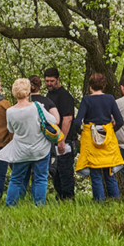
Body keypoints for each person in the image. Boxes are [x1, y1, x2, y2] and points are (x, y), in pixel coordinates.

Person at [0, 78, 58, 206]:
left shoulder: (10, 111)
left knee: (16, 179)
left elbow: (10, 129)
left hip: (21, 150)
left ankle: (11, 204)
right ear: (28, 91)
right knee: (41, 178)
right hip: (40, 149)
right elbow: (53, 120)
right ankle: (39, 205)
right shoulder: (37, 107)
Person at [74, 72, 124, 202]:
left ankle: (99, 203)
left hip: (91, 141)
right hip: (107, 140)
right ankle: (115, 202)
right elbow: (119, 121)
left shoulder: (86, 100)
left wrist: (82, 132)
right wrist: (110, 131)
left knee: (96, 175)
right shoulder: (110, 99)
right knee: (110, 174)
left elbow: (76, 122)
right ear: (104, 85)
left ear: (90, 86)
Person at [44, 66, 76, 200]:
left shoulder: (65, 96)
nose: (49, 84)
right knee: (55, 171)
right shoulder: (48, 95)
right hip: (53, 139)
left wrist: (61, 139)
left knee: (65, 170)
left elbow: (67, 119)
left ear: (58, 79)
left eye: (51, 81)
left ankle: (68, 197)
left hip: (65, 139)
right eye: (47, 81)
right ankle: (60, 195)